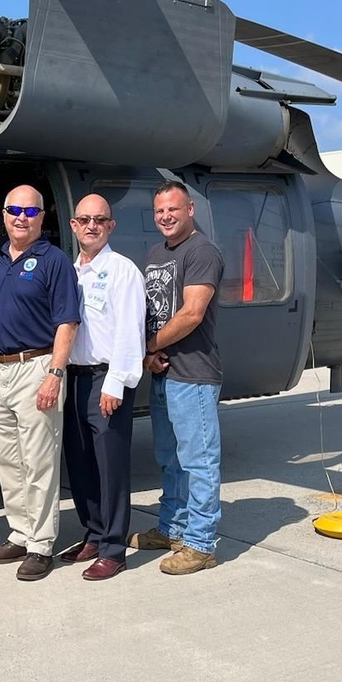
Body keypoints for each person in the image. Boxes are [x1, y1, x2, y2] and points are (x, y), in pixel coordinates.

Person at [0, 185, 80, 581]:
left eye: (30, 211)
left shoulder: (54, 261)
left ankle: (41, 545)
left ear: (42, 218)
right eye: (13, 210)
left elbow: (67, 321)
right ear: (4, 215)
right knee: (7, 458)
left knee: (39, 461)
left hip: (37, 366)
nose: (21, 217)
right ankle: (20, 533)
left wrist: (55, 374)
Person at [135, 181, 224, 575]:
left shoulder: (202, 251)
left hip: (194, 374)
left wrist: (148, 347)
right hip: (164, 372)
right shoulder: (156, 253)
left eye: (173, 209)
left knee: (198, 461)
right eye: (159, 212)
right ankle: (172, 528)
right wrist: (151, 356)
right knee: (169, 459)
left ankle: (201, 544)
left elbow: (191, 314)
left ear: (190, 209)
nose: (166, 217)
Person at [59, 194, 147, 580]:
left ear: (110, 226)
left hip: (106, 379)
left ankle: (114, 547)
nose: (91, 225)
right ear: (74, 226)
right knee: (79, 462)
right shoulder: (70, 271)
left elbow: (131, 331)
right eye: (84, 220)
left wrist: (116, 383)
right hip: (74, 378)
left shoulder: (122, 270)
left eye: (100, 219)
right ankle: (93, 533)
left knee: (110, 466)